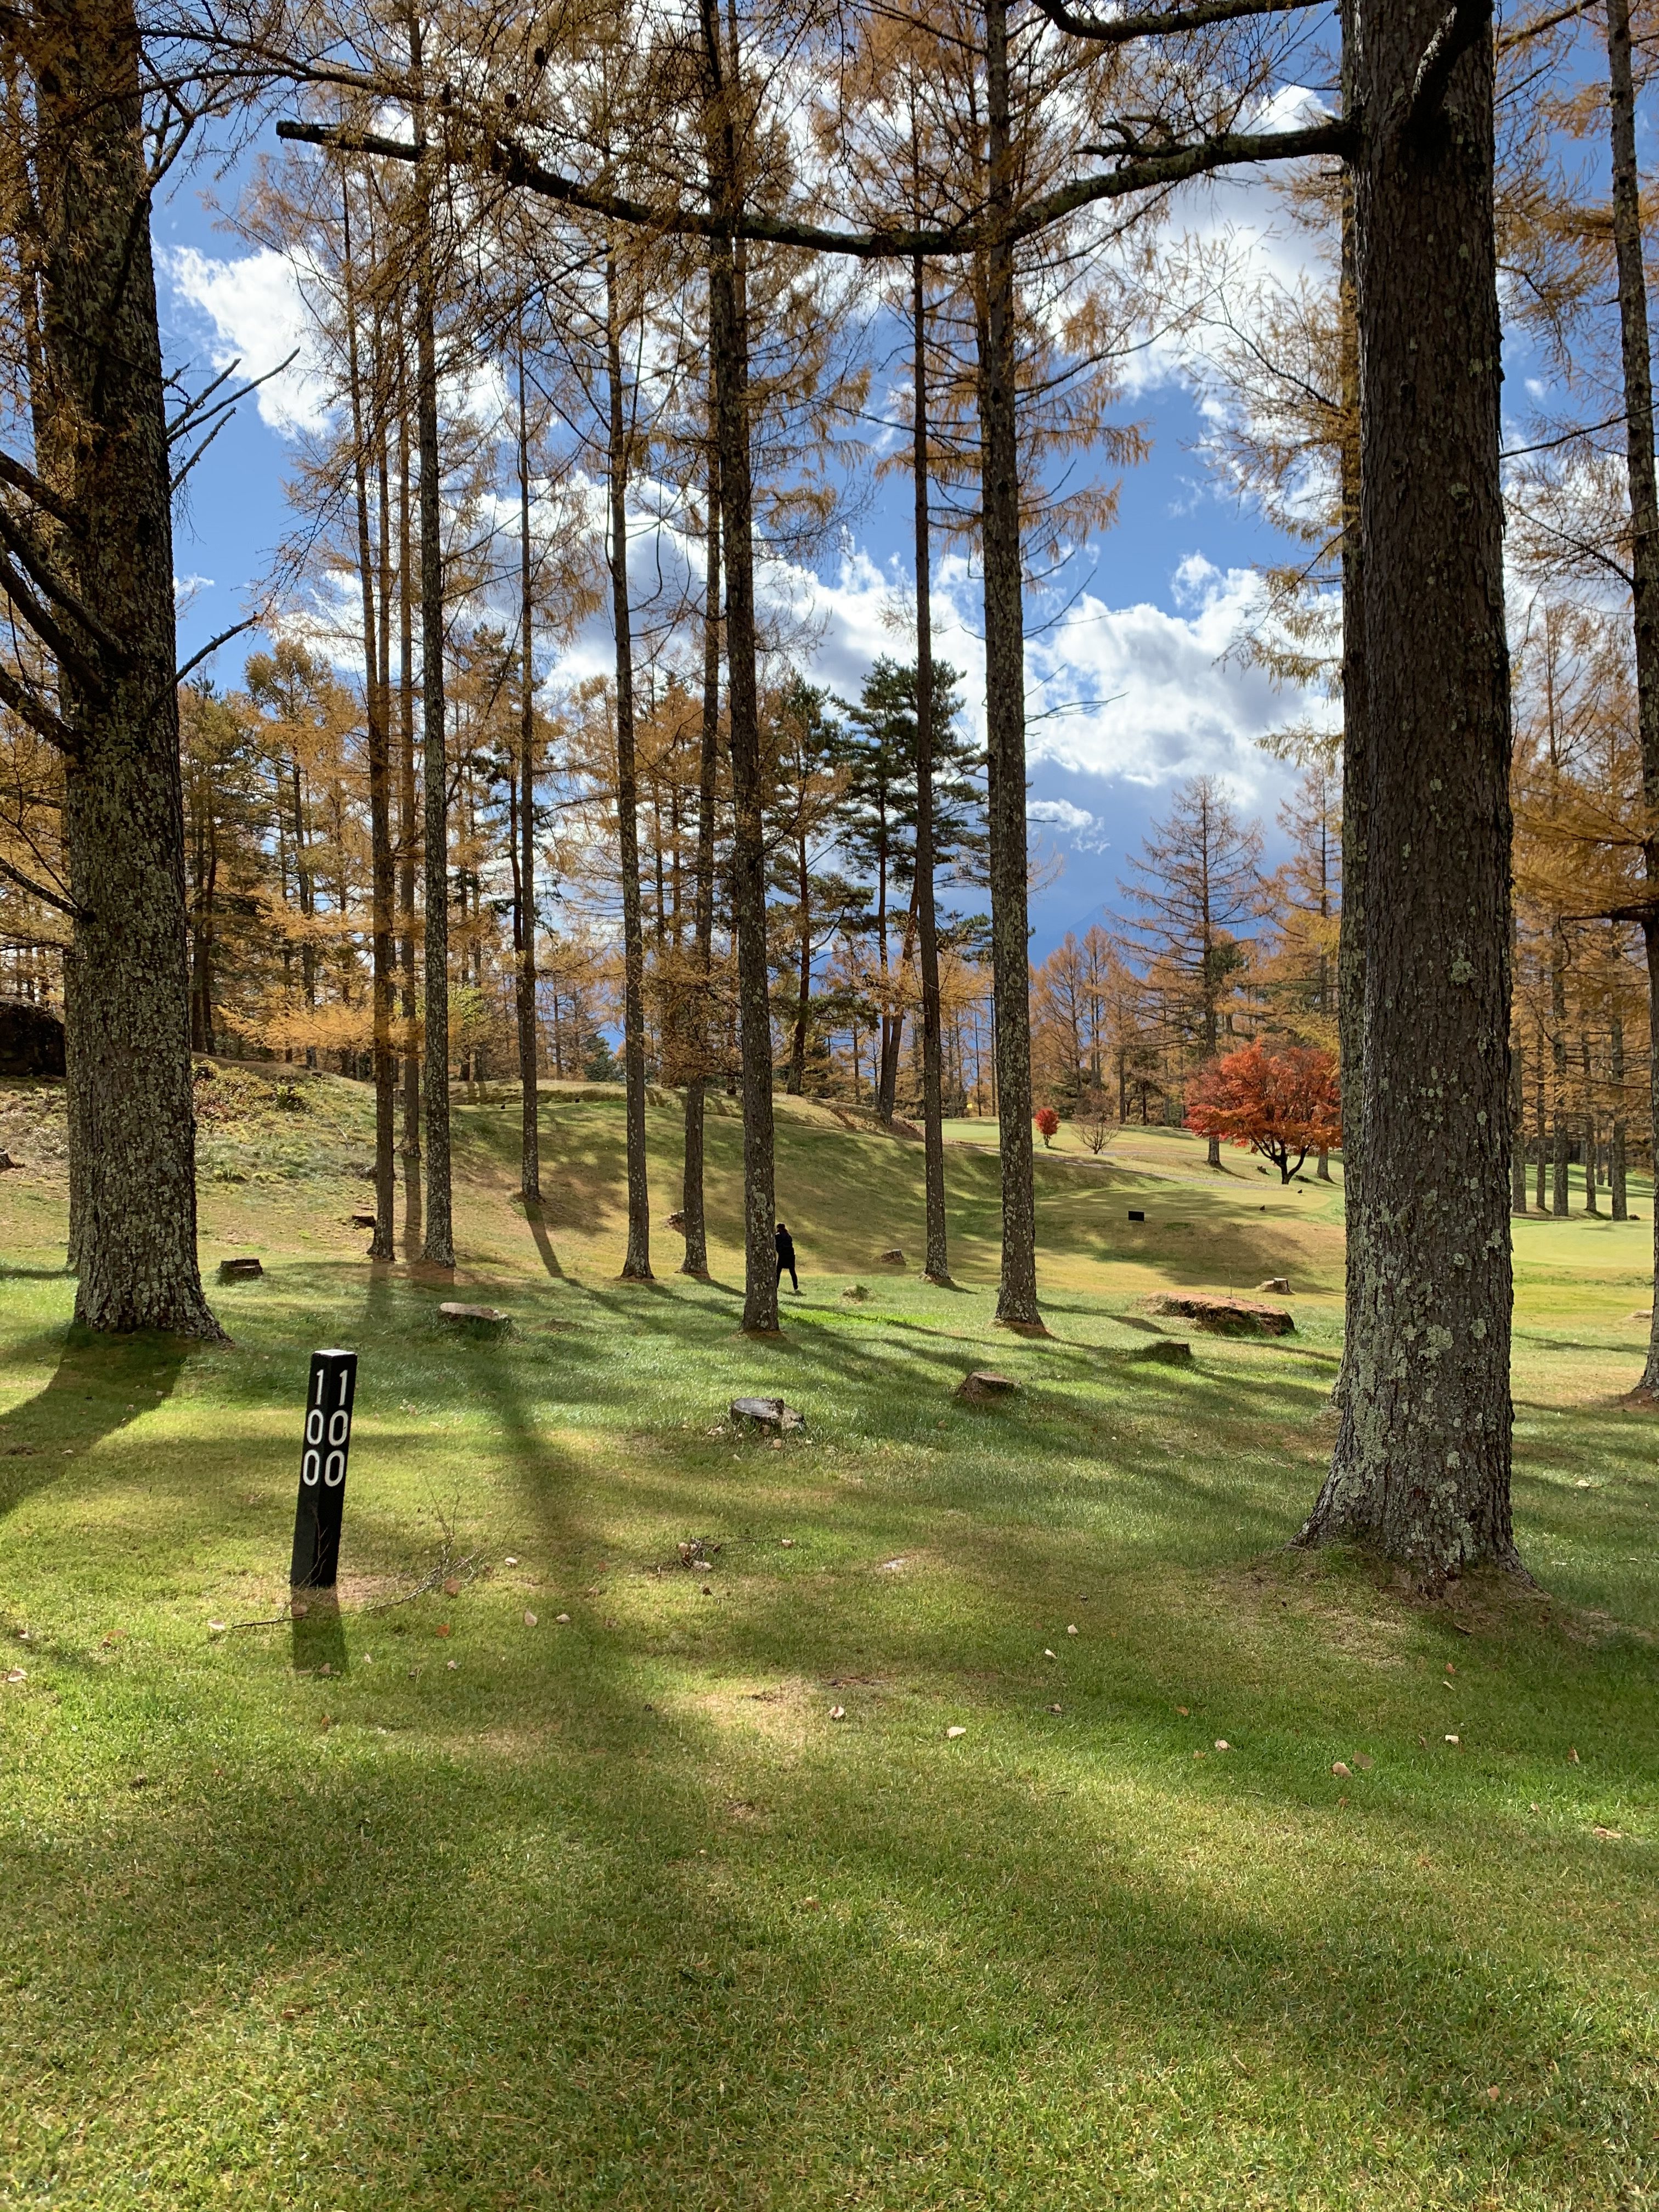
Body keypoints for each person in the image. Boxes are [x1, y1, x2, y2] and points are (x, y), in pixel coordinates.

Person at [774, 1220, 799, 1294]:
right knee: (792, 1271)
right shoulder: (789, 1236)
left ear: (778, 1229)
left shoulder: (778, 1235)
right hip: (791, 1255)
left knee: (778, 1271)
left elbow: (776, 1242)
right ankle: (796, 1286)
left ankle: (776, 1286)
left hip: (783, 1255)